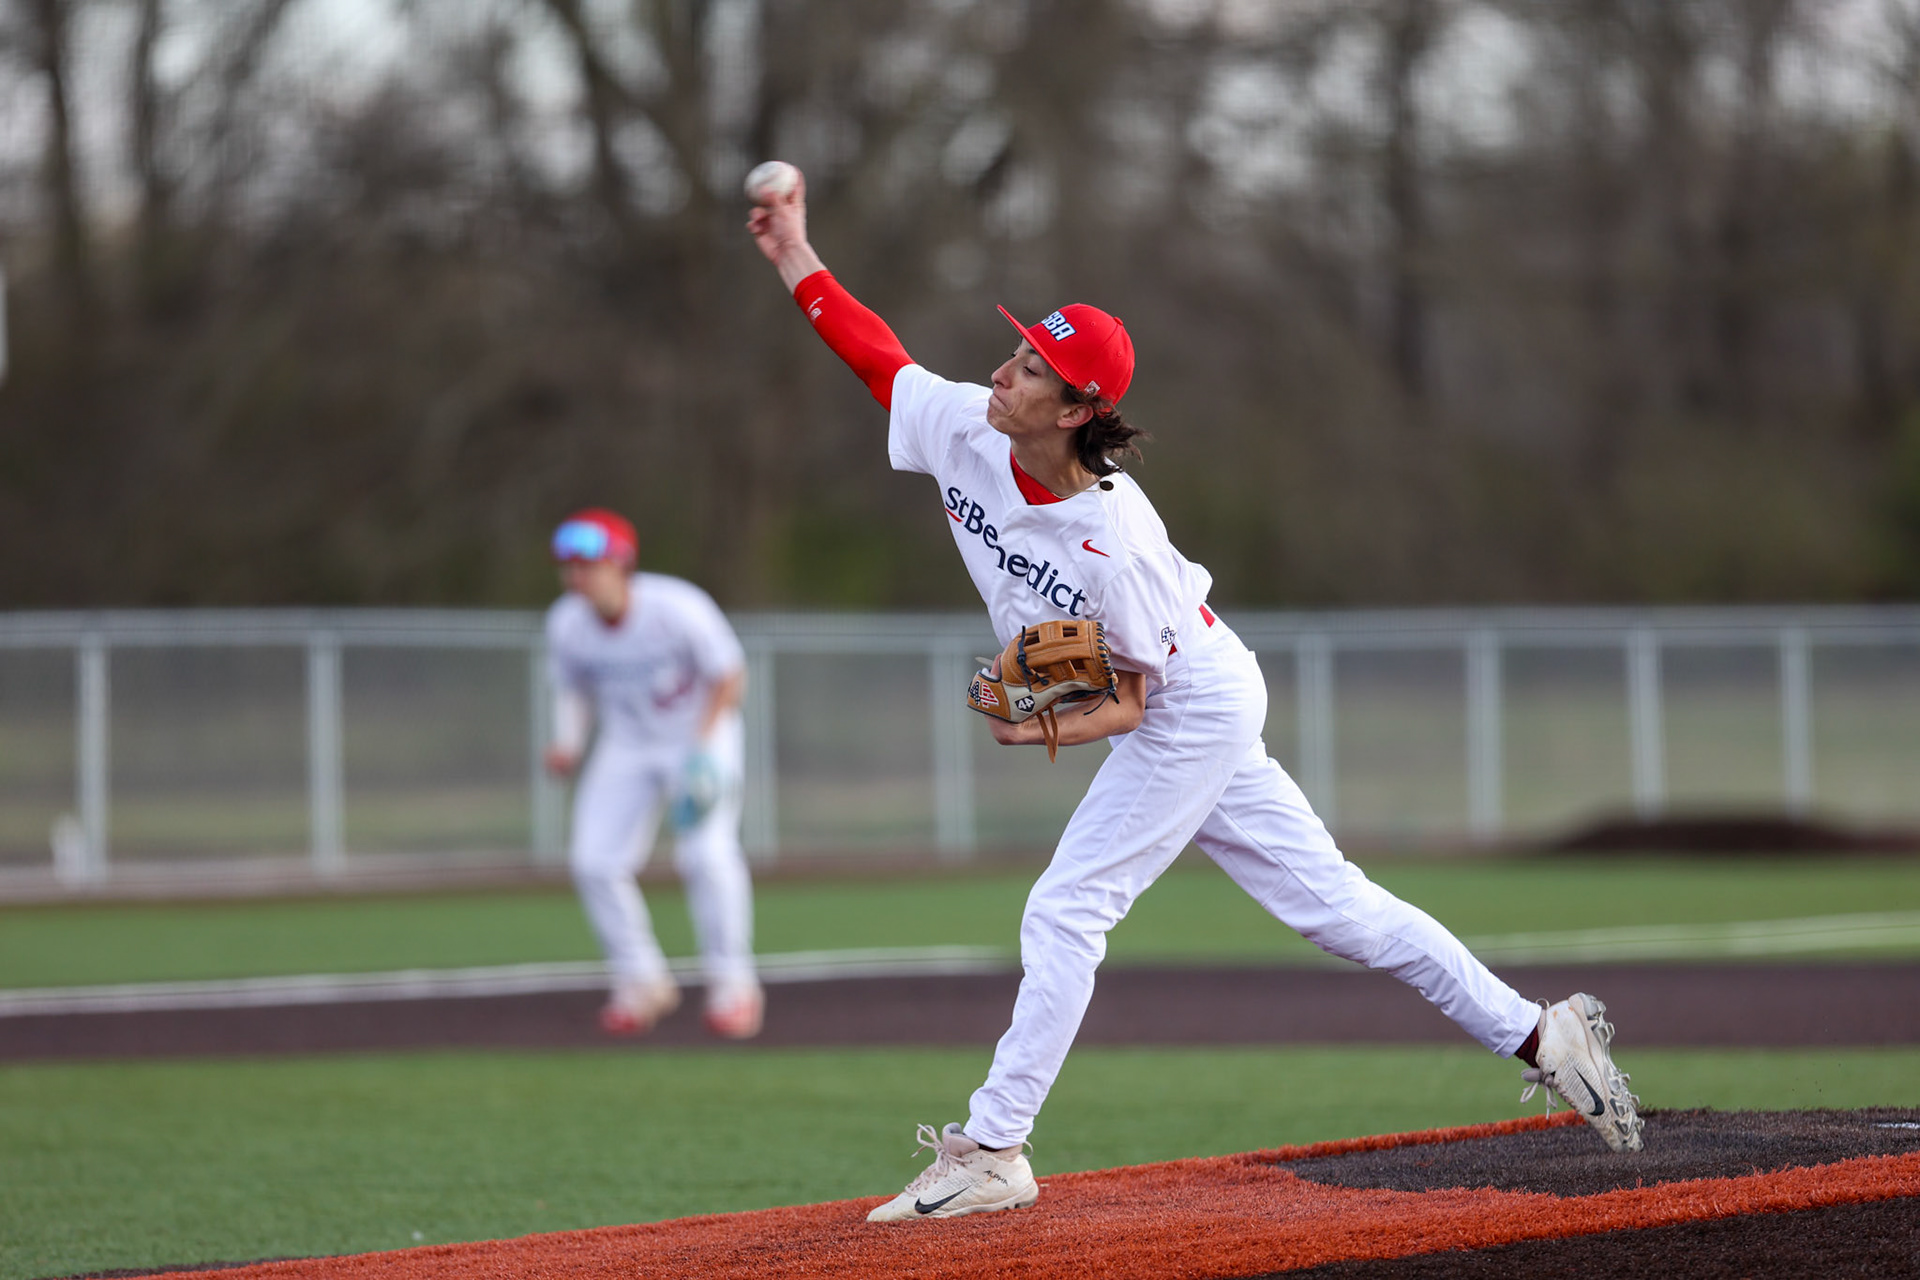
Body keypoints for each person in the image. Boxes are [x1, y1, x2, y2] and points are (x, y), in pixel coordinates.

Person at [746, 169, 1643, 1221]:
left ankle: (996, 1144)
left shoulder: (1115, 541)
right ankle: (1545, 1032)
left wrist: (1041, 717)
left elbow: (1132, 701)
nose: (1006, 369)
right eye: (1019, 346)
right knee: (1342, 909)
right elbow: (871, 352)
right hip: (1183, 686)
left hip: (1190, 700)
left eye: (1037, 367)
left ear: (1081, 408)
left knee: (1069, 902)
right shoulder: (964, 425)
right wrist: (793, 250)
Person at [543, 508, 763, 1040]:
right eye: (569, 565)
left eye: (589, 564)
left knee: (705, 855)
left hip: (700, 739)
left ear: (621, 564)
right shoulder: (567, 622)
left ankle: (734, 986)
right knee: (594, 862)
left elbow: (730, 676)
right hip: (628, 744)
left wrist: (705, 750)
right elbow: (572, 687)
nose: (577, 576)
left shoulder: (675, 606)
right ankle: (642, 981)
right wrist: (567, 743)